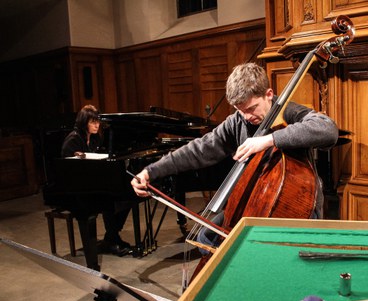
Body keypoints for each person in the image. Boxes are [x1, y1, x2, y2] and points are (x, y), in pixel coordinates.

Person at [131, 62, 339, 253]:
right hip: (252, 202)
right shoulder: (237, 122)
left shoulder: (289, 112)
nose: (247, 116)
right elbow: (198, 149)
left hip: (296, 207)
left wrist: (269, 139)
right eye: (240, 111)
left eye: (251, 108)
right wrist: (151, 171)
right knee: (206, 239)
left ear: (268, 94)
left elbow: (328, 129)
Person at [61, 105, 132, 257]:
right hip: (76, 188)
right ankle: (112, 241)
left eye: (98, 122)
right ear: (84, 122)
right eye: (93, 122)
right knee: (108, 201)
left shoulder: (96, 138)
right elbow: (67, 170)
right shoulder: (73, 140)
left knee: (126, 199)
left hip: (93, 184)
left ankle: (111, 238)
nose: (97, 125)